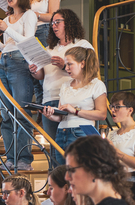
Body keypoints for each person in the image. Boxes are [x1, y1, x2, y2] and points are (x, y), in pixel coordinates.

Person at [0, 0, 39, 172]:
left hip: (21, 62)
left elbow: (28, 41)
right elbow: (9, 44)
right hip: (4, 61)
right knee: (6, 114)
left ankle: (24, 159)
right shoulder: (8, 19)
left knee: (21, 112)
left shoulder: (29, 15)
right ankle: (10, 157)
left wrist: (7, 29)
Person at [29, 8, 94, 142]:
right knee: (54, 146)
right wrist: (35, 71)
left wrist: (64, 66)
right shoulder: (49, 49)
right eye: (52, 23)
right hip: (49, 99)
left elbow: (90, 71)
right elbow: (42, 76)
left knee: (74, 145)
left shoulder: (82, 45)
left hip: (72, 100)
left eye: (58, 22)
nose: (54, 26)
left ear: (69, 23)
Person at [42, 46, 107, 164]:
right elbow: (60, 116)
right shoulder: (65, 85)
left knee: (81, 172)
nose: (66, 68)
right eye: (66, 65)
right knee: (62, 174)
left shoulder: (96, 84)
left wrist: (75, 111)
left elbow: (102, 114)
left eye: (69, 64)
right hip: (62, 131)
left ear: (82, 64)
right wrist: (49, 114)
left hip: (82, 131)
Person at [28, 0, 61, 103]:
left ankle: (45, 105)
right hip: (31, 33)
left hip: (44, 31)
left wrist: (36, 15)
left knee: (43, 69)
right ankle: (40, 109)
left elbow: (54, 15)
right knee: (34, 72)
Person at [106, 91, 135, 188]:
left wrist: (116, 152)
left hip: (129, 182)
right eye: (112, 106)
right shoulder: (111, 133)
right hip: (111, 180)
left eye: (117, 107)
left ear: (130, 110)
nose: (113, 110)